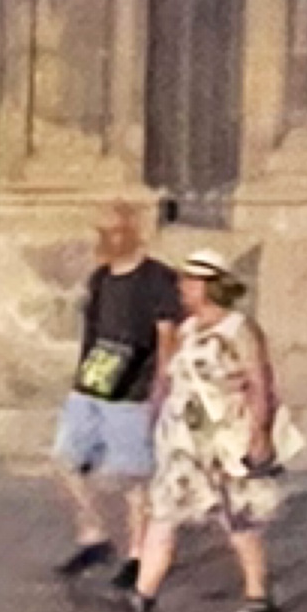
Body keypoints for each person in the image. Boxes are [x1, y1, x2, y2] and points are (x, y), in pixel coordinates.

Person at [116, 249, 288, 612]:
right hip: (182, 439)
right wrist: (155, 412)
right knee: (164, 512)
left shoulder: (240, 329)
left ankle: (258, 593)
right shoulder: (187, 329)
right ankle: (144, 595)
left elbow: (260, 383)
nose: (181, 288)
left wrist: (259, 433)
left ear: (209, 285)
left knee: (237, 516)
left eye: (189, 281)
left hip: (223, 436)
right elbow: (169, 377)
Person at [53, 197, 184, 580]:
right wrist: (81, 379)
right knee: (64, 460)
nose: (105, 240)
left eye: (112, 232)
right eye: (102, 232)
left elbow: (167, 336)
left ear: (129, 233)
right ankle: (94, 536)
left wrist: (161, 385)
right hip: (93, 383)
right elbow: (92, 333)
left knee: (133, 476)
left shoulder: (157, 278)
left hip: (133, 390)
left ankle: (137, 555)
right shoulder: (101, 279)